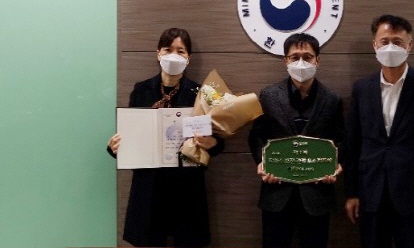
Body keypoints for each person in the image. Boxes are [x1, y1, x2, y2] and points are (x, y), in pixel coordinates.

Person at [107, 27, 224, 247]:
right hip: (150, 183)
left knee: (187, 241)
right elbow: (131, 133)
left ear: (188, 57)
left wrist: (212, 142)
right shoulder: (141, 90)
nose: (173, 56)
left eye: (180, 51)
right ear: (158, 53)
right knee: (150, 240)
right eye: (168, 49)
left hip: (186, 184)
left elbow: (218, 140)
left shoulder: (201, 92)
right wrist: (116, 147)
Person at [344, 14, 414, 248]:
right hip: (370, 193)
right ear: (375, 45)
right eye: (385, 41)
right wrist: (352, 193)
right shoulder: (361, 89)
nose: (390, 47)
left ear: (410, 45)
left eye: (397, 42)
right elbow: (353, 143)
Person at [248, 33, 345, 248]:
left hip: (317, 194)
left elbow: (341, 140)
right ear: (286, 61)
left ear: (317, 60)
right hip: (277, 193)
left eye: (307, 57)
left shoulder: (332, 99)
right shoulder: (268, 95)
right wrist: (262, 163)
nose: (301, 62)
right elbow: (257, 136)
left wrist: (335, 164)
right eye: (295, 57)